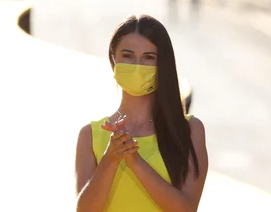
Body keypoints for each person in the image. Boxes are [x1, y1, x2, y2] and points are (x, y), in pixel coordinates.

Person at [75, 14, 208, 211]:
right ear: (113, 60)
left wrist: (135, 161)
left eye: (148, 57)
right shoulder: (90, 135)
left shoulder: (190, 130)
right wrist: (110, 160)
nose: (137, 66)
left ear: (163, 64)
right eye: (128, 56)